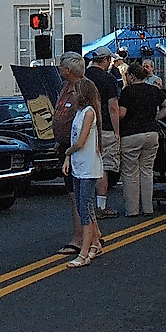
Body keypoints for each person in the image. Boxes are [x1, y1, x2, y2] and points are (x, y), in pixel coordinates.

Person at [118, 59, 166, 217]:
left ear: (131, 76)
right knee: (147, 171)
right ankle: (148, 207)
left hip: (131, 134)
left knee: (130, 172)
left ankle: (132, 209)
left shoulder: (127, 92)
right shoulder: (153, 89)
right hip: (151, 132)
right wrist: (156, 117)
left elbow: (121, 113)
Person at [61, 77, 104, 267]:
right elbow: (74, 137)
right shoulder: (78, 112)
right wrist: (68, 158)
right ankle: (95, 241)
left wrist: (68, 151)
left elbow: (81, 141)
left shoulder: (88, 112)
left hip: (87, 166)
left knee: (85, 209)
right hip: (78, 165)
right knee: (81, 205)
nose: (73, 95)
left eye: (76, 91)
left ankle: (84, 252)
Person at [84, 47, 123, 217]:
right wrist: (117, 131)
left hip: (84, 126)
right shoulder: (109, 79)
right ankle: (101, 206)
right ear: (106, 60)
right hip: (105, 127)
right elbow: (113, 107)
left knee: (86, 167)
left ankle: (85, 204)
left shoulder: (84, 77)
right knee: (103, 168)